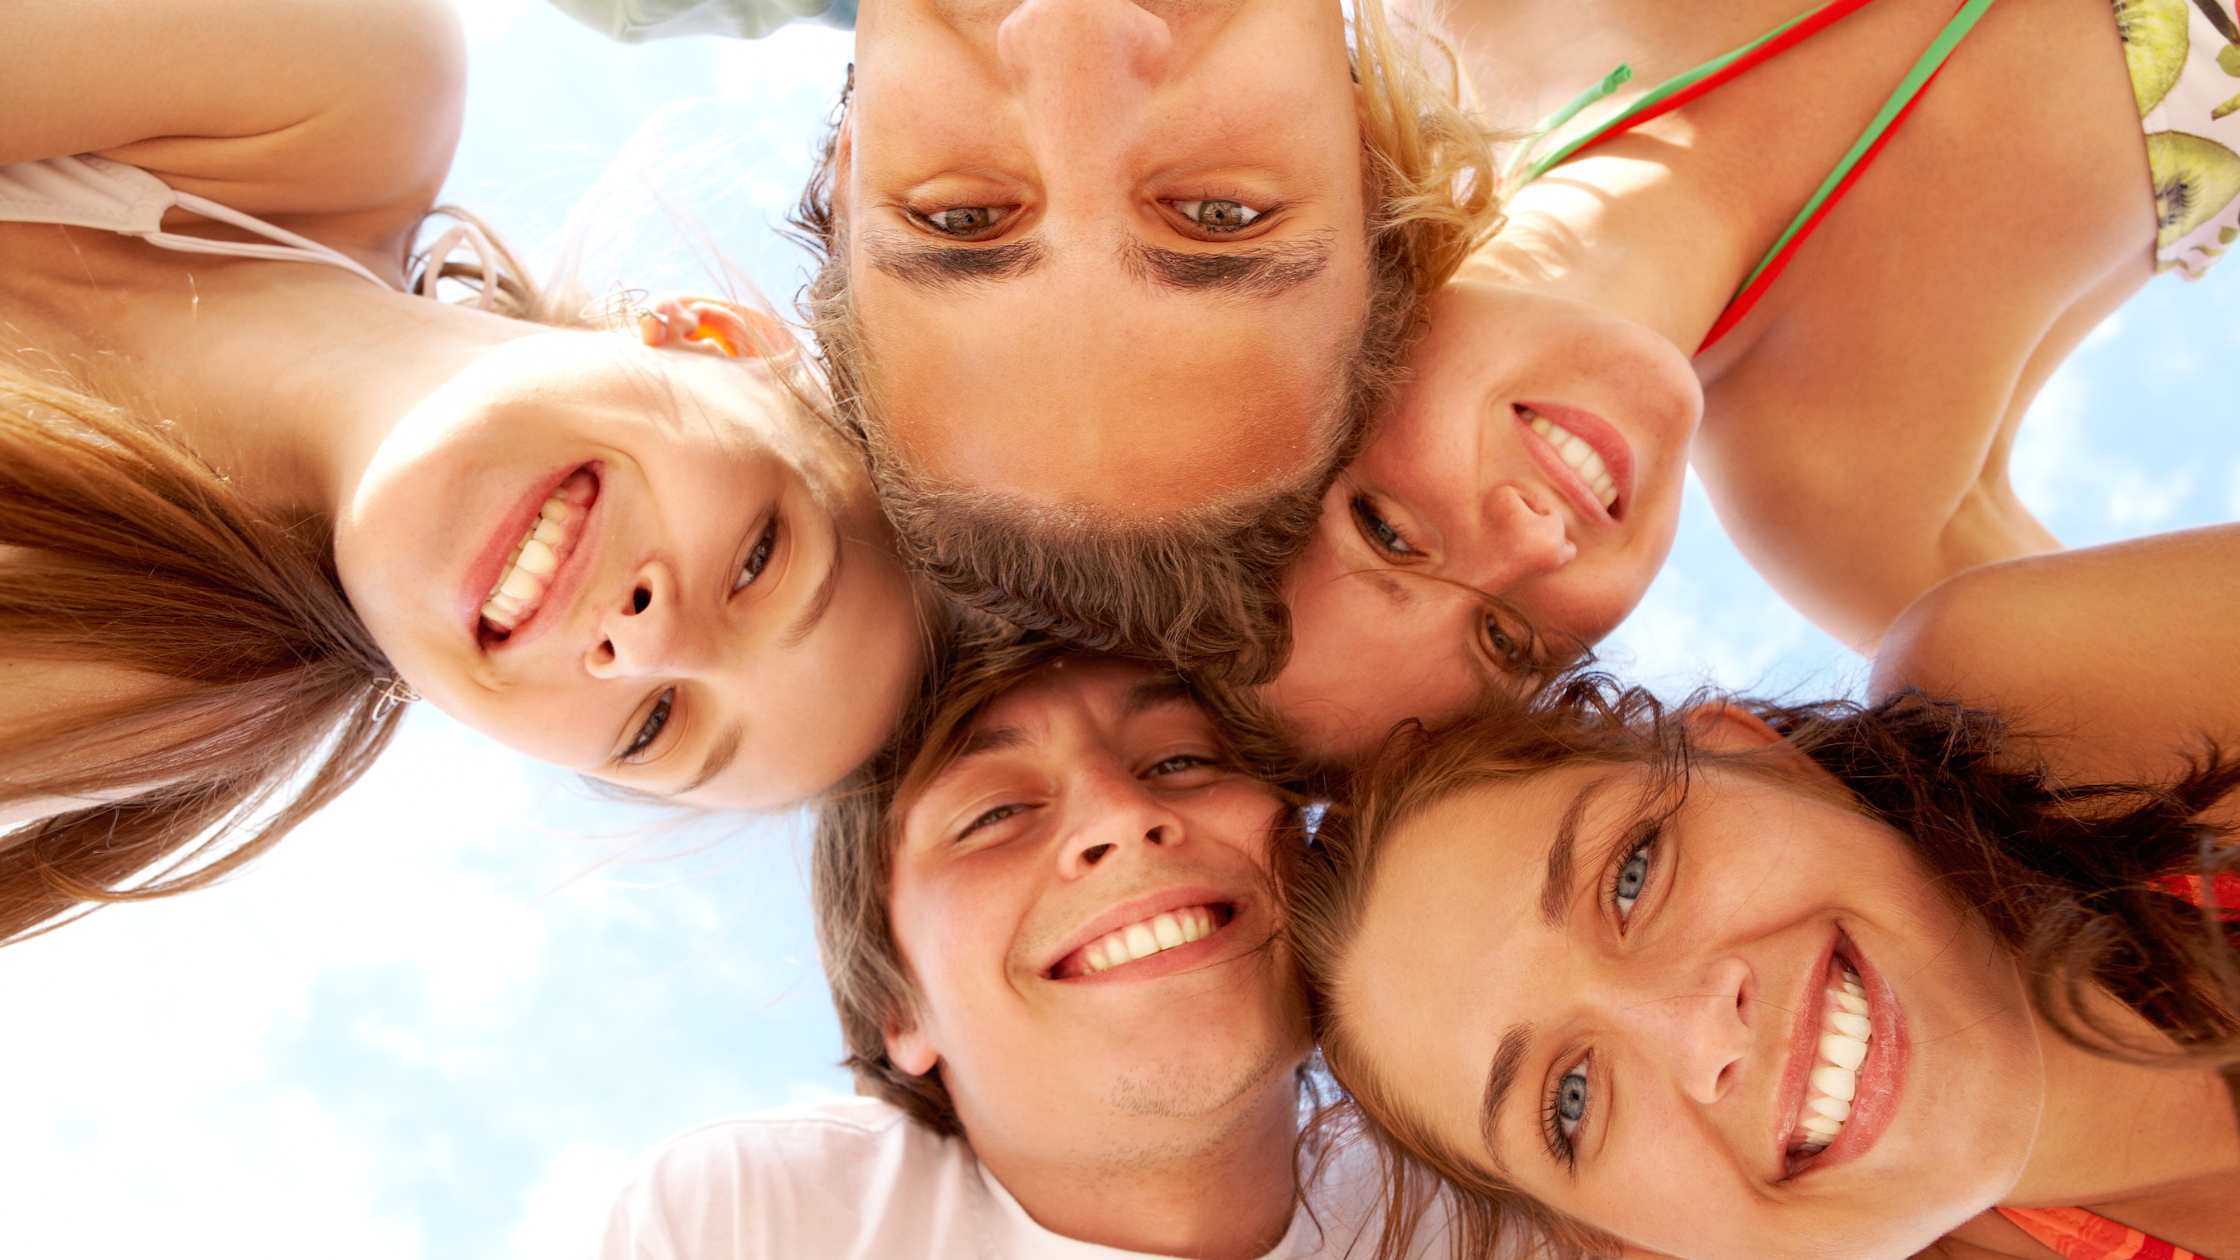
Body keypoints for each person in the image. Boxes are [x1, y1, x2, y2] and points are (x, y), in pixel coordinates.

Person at [0, 0, 931, 940]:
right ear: (712, 339)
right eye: (759, 560)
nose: (645, 650)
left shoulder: (86, 698)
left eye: (651, 727)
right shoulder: (339, 78)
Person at [1266, 0, 2240, 759]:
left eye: (1385, 530)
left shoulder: (1452, 23)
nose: (1532, 544)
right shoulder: (1850, 512)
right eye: (1508, 643)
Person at [1273, 524, 2240, 1259]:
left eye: (1633, 876)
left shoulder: (2053, 686)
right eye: (1570, 1100)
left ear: (1756, 759)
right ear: (1620, 1241)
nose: (1701, 1035)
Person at [601, 639, 1447, 1260]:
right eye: (995, 815)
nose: (1119, 817)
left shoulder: (1524, 1205)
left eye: (1184, 758)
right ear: (897, 1005)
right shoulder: (746, 1225)